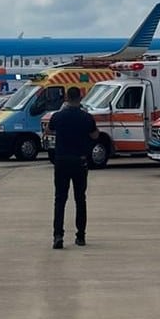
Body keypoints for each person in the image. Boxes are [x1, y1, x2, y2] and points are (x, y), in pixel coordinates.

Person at [46, 86, 99, 249]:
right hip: (80, 161)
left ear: (66, 98)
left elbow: (49, 130)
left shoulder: (58, 116)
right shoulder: (86, 117)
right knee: (80, 199)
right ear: (81, 98)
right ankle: (81, 236)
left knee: (60, 199)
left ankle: (58, 236)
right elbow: (95, 135)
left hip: (61, 160)